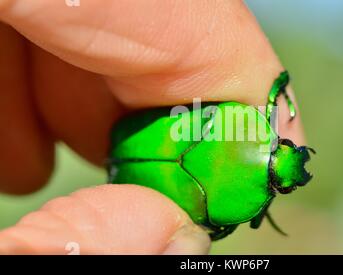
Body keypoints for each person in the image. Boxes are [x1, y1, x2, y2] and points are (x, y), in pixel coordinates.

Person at [0, 0, 305, 254]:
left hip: (129, 138)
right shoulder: (237, 201)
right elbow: (221, 229)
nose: (287, 146)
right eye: (284, 146)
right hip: (128, 154)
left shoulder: (237, 123)